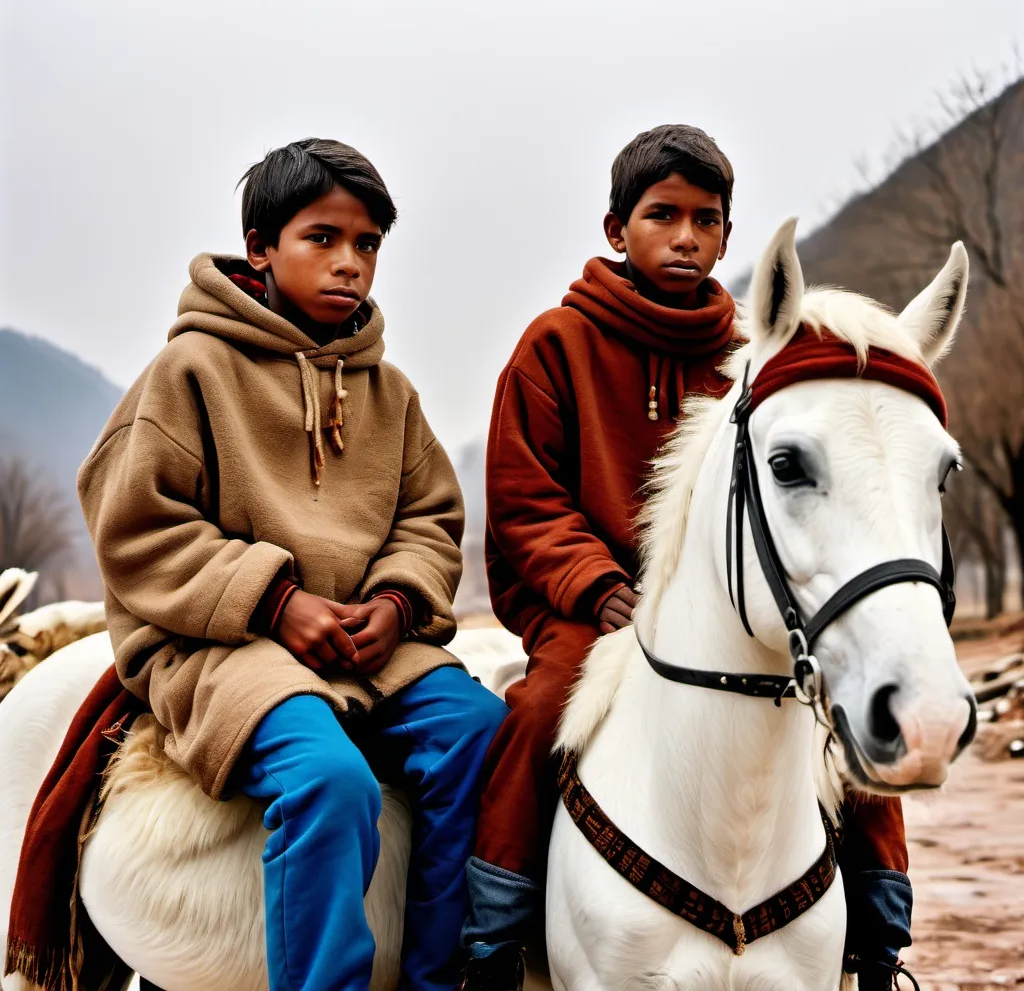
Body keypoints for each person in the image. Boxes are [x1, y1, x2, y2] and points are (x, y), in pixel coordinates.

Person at [460, 125, 912, 991]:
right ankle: (494, 943)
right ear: (615, 229)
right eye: (662, 215)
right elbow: (525, 500)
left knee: (836, 714)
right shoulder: (554, 345)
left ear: (727, 240)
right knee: (536, 712)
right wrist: (597, 586)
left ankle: (880, 942)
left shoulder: (753, 359)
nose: (685, 236)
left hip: (731, 607)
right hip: (592, 610)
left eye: (705, 220)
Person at [77, 138, 508, 991]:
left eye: (369, 244)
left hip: (368, 639)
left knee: (480, 736)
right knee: (328, 782)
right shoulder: (188, 371)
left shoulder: (391, 393)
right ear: (261, 245)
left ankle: (436, 981)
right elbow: (136, 526)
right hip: (222, 646)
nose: (350, 263)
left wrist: (393, 604)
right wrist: (274, 603)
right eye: (323, 238)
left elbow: (429, 520)